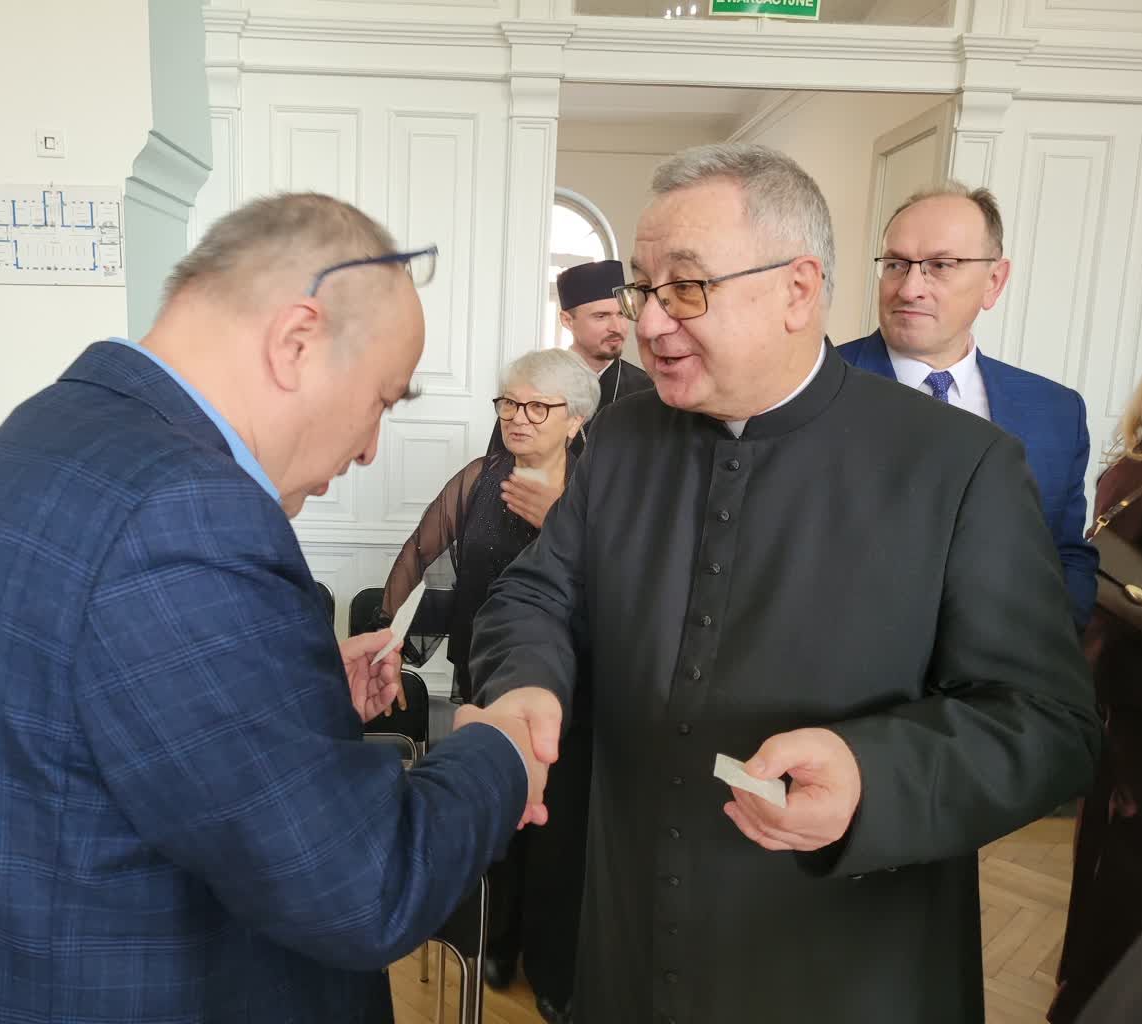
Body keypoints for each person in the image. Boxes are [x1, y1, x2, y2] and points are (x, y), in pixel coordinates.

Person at [0, 193, 550, 1023]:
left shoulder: (47, 429)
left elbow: (74, 725)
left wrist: (292, 700)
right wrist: (497, 748)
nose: (371, 447)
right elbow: (362, 885)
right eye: (382, 398)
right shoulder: (185, 509)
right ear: (296, 341)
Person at [468, 144, 1100, 1024]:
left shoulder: (960, 466)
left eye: (687, 287)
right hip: (629, 928)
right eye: (645, 289)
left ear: (798, 289)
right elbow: (535, 596)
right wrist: (524, 687)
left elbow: (1047, 722)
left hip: (843, 958)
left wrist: (872, 774)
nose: (651, 323)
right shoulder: (616, 440)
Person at [381, 347, 599, 1023]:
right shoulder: (481, 478)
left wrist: (558, 519)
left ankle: (552, 964)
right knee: (497, 811)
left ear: (575, 419)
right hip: (486, 672)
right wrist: (391, 643)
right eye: (508, 402)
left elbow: (622, 583)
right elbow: (423, 556)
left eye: (536, 406)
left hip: (573, 683)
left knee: (559, 826)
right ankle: (497, 943)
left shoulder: (597, 486)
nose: (516, 417)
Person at [839, 182, 1098, 629]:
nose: (909, 289)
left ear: (994, 282)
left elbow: (1065, 554)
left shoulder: (1057, 412)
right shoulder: (817, 386)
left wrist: (1042, 648)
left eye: (940, 265)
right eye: (896, 264)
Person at [1050, 361, 1142, 1023]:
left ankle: (1085, 992)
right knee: (1130, 866)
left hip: (1117, 687)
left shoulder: (1131, 466)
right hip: (1139, 699)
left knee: (1111, 856)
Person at [487, 260, 653, 531]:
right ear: (567, 320)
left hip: (609, 532)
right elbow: (498, 465)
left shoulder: (647, 390)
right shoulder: (530, 379)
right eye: (601, 316)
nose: (617, 327)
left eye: (621, 314)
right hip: (517, 519)